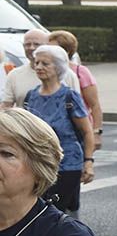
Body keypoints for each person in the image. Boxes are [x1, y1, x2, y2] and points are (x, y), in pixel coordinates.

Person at [20, 45, 94, 215]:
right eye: (37, 63)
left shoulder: (69, 96)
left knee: (55, 212)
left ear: (58, 68)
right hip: (36, 165)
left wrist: (89, 162)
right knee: (35, 211)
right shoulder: (31, 96)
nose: (38, 67)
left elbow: (87, 131)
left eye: (45, 64)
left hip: (67, 165)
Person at [47, 31, 103, 148]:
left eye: (53, 49)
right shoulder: (45, 71)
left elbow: (94, 105)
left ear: (66, 51)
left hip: (77, 131)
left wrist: (96, 133)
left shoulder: (80, 72)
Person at [2, 28, 81, 108]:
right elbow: (6, 106)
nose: (31, 48)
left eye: (36, 44)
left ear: (48, 46)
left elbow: (77, 108)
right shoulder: (14, 75)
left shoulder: (67, 74)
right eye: (27, 44)